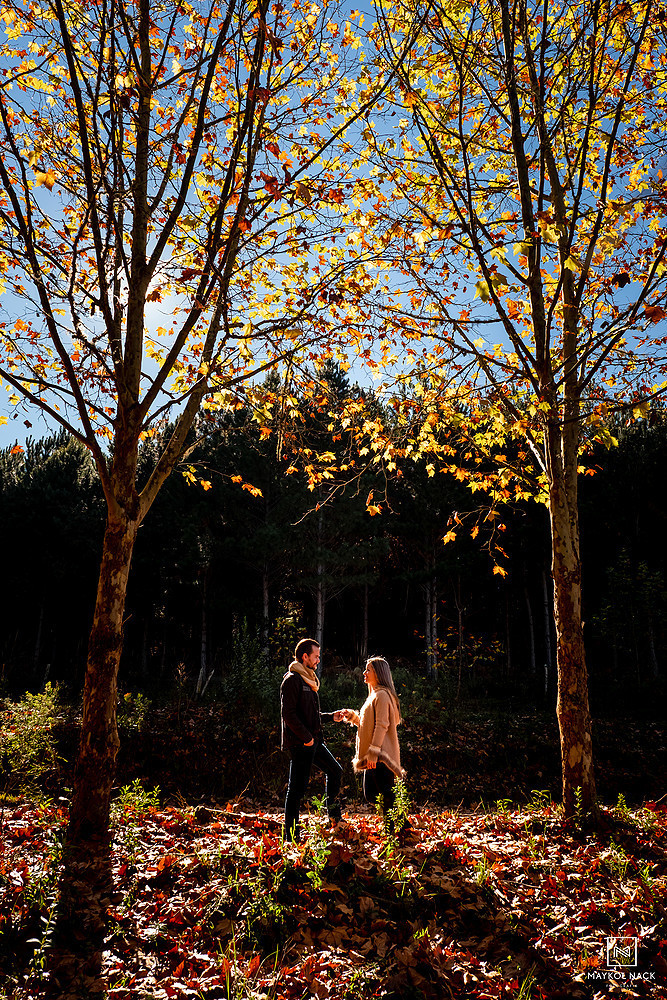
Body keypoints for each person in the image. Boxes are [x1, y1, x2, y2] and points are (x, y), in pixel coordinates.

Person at [280, 638, 345, 842]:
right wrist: (307, 738)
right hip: (301, 743)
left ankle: (334, 819)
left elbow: (309, 714)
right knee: (296, 790)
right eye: (315, 656)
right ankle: (291, 837)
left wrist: (331, 717)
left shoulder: (308, 679)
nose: (318, 660)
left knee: (335, 771)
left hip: (314, 742)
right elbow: (288, 714)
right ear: (304, 656)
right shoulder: (292, 680)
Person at [340, 656, 404, 815]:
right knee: (374, 794)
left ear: (378, 674)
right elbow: (369, 724)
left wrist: (374, 753)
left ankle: (399, 826)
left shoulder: (382, 695)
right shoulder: (375, 695)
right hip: (376, 753)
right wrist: (353, 717)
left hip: (381, 755)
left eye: (368, 670)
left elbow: (382, 725)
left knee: (382, 795)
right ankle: (403, 825)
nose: (364, 672)